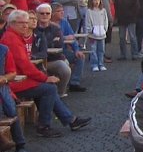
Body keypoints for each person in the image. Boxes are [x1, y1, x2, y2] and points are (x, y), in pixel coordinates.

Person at [2, 10, 90, 138]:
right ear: (12, 23)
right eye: (22, 23)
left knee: (47, 88)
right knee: (48, 89)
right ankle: (45, 126)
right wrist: (45, 78)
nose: (26, 26)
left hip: (19, 79)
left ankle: (70, 120)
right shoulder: (12, 39)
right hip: (13, 83)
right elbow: (25, 66)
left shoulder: (14, 37)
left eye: (27, 23)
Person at [0, 42, 30, 152]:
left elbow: (12, 73)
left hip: (2, 91)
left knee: (11, 110)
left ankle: (20, 145)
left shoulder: (3, 50)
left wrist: (4, 78)